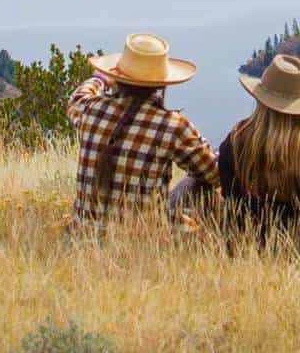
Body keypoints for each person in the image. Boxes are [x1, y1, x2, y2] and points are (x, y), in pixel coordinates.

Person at [66, 33, 219, 231]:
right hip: (146, 240)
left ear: (118, 78)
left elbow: (77, 97)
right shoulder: (173, 126)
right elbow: (214, 174)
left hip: (83, 238)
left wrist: (99, 79)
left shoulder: (91, 110)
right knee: (197, 184)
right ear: (162, 83)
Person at [215, 55, 300, 247]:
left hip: (243, 247)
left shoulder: (235, 141)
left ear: (261, 99)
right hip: (297, 248)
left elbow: (231, 204)